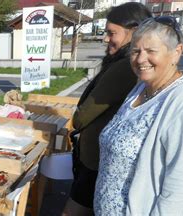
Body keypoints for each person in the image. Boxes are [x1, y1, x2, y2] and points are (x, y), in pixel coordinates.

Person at [63, 3, 152, 215]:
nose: (105, 38)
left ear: (136, 31)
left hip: (96, 159)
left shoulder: (124, 66)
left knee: (73, 210)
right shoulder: (131, 64)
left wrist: (78, 118)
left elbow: (84, 115)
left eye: (112, 33)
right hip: (106, 158)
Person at [94, 16, 183, 215]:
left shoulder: (181, 103)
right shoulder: (141, 88)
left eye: (151, 51)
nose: (141, 59)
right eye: (136, 51)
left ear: (176, 52)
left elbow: (179, 188)